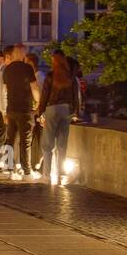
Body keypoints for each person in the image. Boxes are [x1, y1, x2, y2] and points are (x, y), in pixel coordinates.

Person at [36, 51, 77, 184]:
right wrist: (74, 111)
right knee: (62, 144)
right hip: (66, 110)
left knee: (47, 144)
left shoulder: (50, 76)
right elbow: (75, 96)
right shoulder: (70, 77)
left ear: (54, 61)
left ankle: (47, 175)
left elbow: (45, 95)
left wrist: (40, 111)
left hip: (52, 109)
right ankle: (59, 175)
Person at [1, 45, 40, 180]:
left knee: (10, 139)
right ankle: (27, 171)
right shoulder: (27, 68)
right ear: (22, 54)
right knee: (25, 141)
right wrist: (39, 104)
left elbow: (5, 91)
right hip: (25, 109)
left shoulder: (6, 70)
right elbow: (34, 88)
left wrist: (5, 111)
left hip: (11, 109)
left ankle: (9, 170)